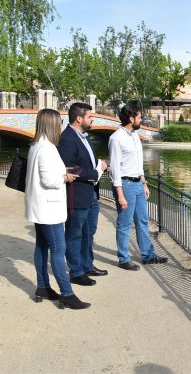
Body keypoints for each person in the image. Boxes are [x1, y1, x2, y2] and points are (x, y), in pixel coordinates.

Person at [25, 108, 90, 309]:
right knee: (58, 249)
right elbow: (48, 180)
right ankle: (67, 293)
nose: (61, 126)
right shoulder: (47, 148)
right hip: (48, 208)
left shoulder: (36, 146)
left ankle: (43, 286)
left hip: (40, 206)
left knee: (42, 247)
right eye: (58, 122)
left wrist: (63, 171)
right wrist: (66, 177)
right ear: (51, 124)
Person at [108, 104, 167, 270]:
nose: (141, 119)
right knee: (125, 223)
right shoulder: (116, 138)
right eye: (139, 117)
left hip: (138, 183)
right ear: (131, 118)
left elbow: (138, 163)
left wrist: (144, 183)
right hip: (125, 185)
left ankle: (148, 255)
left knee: (143, 220)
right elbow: (115, 169)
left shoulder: (135, 135)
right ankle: (124, 258)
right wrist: (120, 195)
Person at [58, 102, 108, 286]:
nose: (93, 119)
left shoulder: (83, 137)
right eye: (90, 116)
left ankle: (87, 265)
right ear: (79, 118)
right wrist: (94, 172)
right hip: (76, 194)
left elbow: (86, 162)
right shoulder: (67, 139)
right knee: (74, 233)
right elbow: (69, 167)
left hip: (90, 194)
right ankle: (76, 271)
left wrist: (99, 164)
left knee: (89, 232)